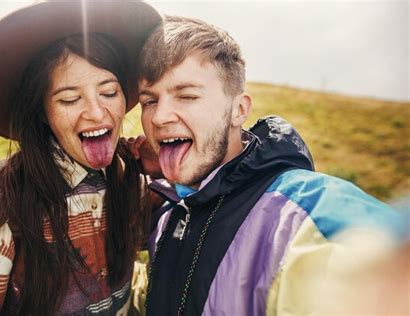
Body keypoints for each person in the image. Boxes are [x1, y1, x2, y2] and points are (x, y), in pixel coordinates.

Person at [137, 16, 405, 315]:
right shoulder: (170, 215)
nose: (159, 117)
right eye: (149, 101)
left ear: (239, 110)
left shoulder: (301, 213)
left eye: (186, 96)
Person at [0, 1, 161, 315]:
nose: (97, 113)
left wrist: (170, 168)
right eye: (69, 98)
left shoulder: (128, 178)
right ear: (41, 111)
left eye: (109, 92)